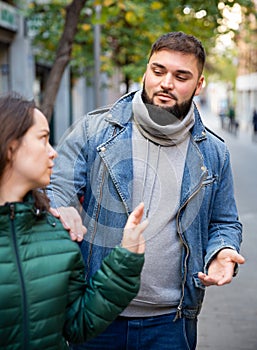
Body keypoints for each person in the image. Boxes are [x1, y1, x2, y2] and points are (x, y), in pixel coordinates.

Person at [48, 32, 245, 350]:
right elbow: (55, 189)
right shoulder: (94, 130)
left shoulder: (214, 152)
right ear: (146, 71)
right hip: (97, 313)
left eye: (181, 76)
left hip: (172, 321)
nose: (167, 82)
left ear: (199, 85)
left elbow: (224, 221)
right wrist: (63, 207)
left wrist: (222, 251)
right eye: (158, 70)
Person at [0, 92, 148, 349]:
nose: (53, 152)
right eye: (43, 139)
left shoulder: (57, 235)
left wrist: (125, 258)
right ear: (11, 146)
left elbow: (77, 323)